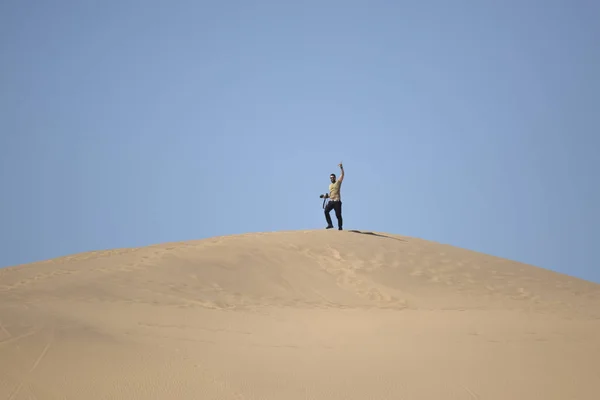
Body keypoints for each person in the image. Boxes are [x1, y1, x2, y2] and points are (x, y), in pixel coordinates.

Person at [321, 163, 344, 230]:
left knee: (338, 215)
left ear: (335, 178)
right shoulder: (330, 185)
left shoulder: (338, 182)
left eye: (332, 177)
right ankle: (330, 224)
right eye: (330, 178)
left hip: (337, 201)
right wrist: (324, 196)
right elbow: (330, 194)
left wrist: (341, 167)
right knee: (326, 211)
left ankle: (340, 227)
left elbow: (342, 175)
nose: (331, 178)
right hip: (331, 201)